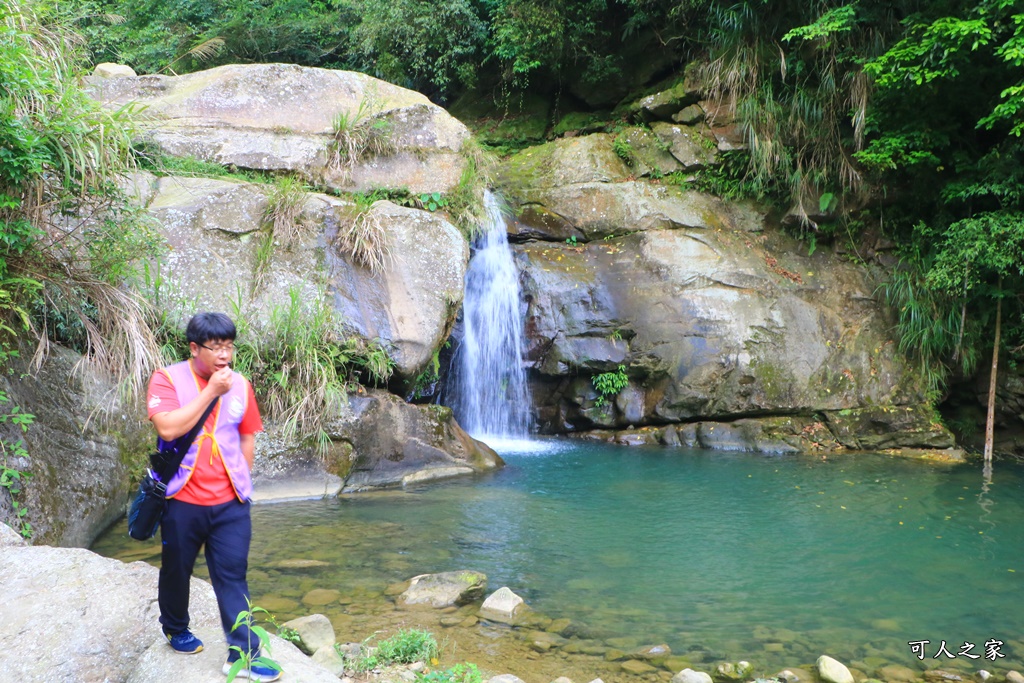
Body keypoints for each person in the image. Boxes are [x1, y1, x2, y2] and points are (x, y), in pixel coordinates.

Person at [146, 311, 281, 682]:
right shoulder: (167, 379)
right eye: (215, 347)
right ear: (194, 348)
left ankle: (242, 656)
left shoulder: (242, 385)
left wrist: (240, 480)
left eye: (229, 346)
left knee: (233, 576)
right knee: (177, 570)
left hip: (230, 504)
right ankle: (174, 627)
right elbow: (168, 428)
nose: (224, 355)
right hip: (181, 499)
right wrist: (211, 391)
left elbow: (248, 435)